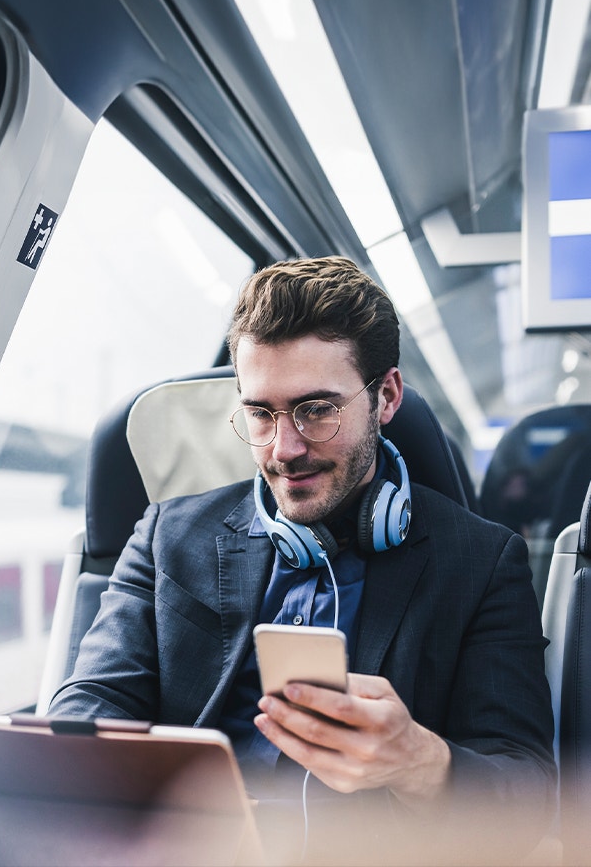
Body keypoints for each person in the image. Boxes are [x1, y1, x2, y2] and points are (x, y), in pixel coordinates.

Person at [48, 257, 555, 863]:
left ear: (386, 396)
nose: (284, 449)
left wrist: (420, 760)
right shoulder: (167, 537)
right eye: (260, 413)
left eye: (317, 409)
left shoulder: (480, 561)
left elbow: (526, 796)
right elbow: (90, 706)